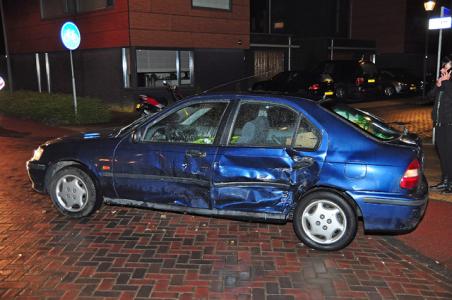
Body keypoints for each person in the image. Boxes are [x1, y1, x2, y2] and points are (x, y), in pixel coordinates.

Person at [429, 55, 452, 193]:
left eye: (447, 66)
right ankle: (445, 181)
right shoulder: (443, 82)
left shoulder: (449, 83)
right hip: (439, 124)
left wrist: (446, 82)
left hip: (450, 124)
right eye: (443, 66)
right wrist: (438, 84)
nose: (443, 69)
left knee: (449, 155)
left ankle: (451, 183)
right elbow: (429, 96)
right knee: (443, 154)